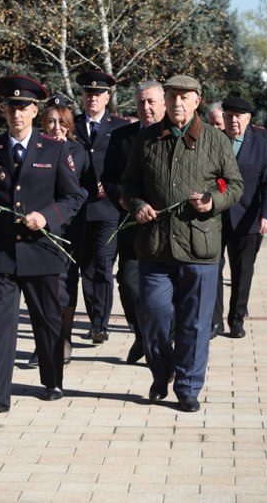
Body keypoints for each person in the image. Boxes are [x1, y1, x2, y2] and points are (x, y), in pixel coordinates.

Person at [121, 75, 244, 412]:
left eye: (184, 97)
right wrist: (137, 205)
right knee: (154, 318)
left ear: (196, 101)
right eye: (172, 96)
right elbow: (129, 184)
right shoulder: (147, 139)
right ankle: (162, 373)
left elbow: (235, 185)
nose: (177, 102)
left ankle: (188, 387)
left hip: (199, 247)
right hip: (155, 246)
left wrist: (213, 200)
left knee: (195, 323)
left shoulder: (215, 140)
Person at [0, 75, 85, 417]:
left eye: (23, 107)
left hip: (41, 252)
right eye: (11, 107)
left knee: (47, 322)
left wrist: (47, 217)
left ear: (35, 111)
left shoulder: (54, 148)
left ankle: (52, 380)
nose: (16, 114)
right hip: (1, 253)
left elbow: (74, 196)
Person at [27, 94, 96, 367]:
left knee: (66, 285)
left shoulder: (78, 152)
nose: (56, 127)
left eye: (62, 122)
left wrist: (80, 196)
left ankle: (63, 339)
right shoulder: (34, 149)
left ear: (69, 125)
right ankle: (43, 342)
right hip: (40, 227)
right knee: (41, 287)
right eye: (51, 122)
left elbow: (89, 186)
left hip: (69, 228)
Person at [101, 80, 166, 364]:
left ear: (163, 103)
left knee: (165, 290)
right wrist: (124, 199)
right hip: (132, 224)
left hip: (168, 226)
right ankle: (141, 334)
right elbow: (109, 178)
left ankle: (160, 342)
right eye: (141, 102)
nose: (146, 107)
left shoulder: (175, 135)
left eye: (151, 101)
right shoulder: (122, 136)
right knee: (128, 283)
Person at [211, 96, 267, 339]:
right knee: (212, 269)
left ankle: (236, 319)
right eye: (229, 116)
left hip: (248, 217)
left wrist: (266, 215)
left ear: (248, 119)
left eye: (238, 117)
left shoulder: (260, 142)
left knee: (242, 272)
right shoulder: (214, 140)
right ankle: (214, 321)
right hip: (216, 216)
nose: (233, 121)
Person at [72, 70, 129, 344]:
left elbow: (127, 163)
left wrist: (113, 185)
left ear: (107, 97)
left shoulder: (120, 127)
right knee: (86, 267)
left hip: (108, 208)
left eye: (97, 94)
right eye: (88, 93)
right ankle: (94, 317)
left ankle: (100, 324)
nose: (92, 98)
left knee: (103, 265)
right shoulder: (72, 125)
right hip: (79, 209)